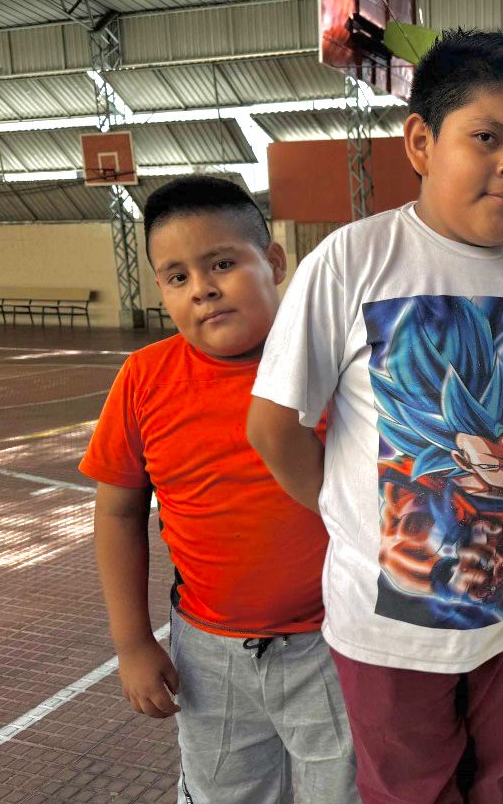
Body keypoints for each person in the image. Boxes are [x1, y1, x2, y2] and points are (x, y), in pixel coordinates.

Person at [247, 30, 503, 804]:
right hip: (388, 627)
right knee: (409, 791)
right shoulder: (354, 259)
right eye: (487, 137)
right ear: (422, 141)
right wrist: (348, 512)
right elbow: (274, 425)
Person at [79, 175, 358, 804]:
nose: (202, 288)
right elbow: (119, 512)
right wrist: (131, 641)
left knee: (343, 793)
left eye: (223, 264)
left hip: (334, 644)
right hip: (210, 653)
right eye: (177, 277)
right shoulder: (145, 379)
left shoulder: (336, 361)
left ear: (275, 262)